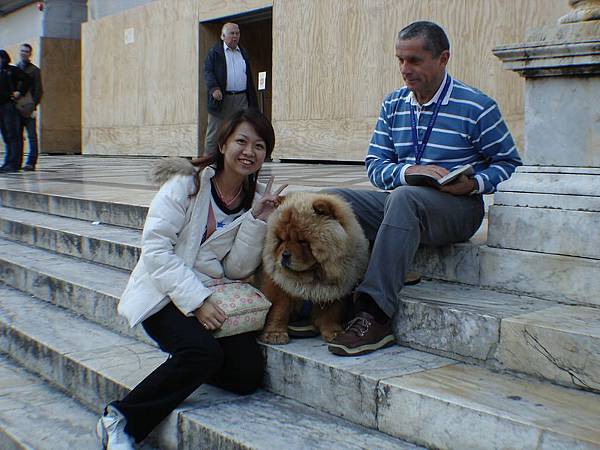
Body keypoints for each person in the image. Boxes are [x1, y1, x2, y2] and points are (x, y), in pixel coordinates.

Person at [326, 21, 522, 357]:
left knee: (404, 198)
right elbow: (375, 166)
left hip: (458, 211)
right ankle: (324, 298)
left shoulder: (477, 106)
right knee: (332, 202)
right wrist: (409, 171)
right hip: (406, 205)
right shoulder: (394, 105)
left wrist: (475, 183)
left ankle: (374, 314)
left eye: (415, 60)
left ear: (443, 58)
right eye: (400, 60)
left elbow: (510, 166)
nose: (405, 69)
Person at [96, 109, 285, 449]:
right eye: (241, 141)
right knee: (203, 354)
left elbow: (238, 270)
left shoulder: (252, 202)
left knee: (246, 376)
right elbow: (155, 249)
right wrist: (196, 302)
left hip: (211, 293)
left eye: (259, 146)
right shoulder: (186, 183)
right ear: (223, 143)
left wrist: (257, 220)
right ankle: (121, 418)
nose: (249, 152)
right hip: (163, 294)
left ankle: (186, 360)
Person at [204, 22, 258, 155]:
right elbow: (208, 71)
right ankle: (207, 164)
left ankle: (238, 162)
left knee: (242, 131)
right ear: (223, 36)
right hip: (222, 99)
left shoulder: (243, 52)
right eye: (231, 33)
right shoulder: (215, 52)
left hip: (241, 99)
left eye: (237, 33)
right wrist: (214, 88)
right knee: (214, 132)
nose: (235, 36)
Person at [0, 49, 30, 173]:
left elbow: (27, 79)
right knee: (6, 135)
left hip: (9, 106)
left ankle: (14, 162)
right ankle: (8, 161)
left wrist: (19, 92)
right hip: (1, 106)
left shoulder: (11, 70)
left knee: (13, 135)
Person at [17, 43, 43, 171]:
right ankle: (17, 161)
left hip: (29, 108)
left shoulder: (34, 70)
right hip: (17, 108)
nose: (24, 53)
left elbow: (39, 91)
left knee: (32, 136)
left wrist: (33, 107)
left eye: (26, 51)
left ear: (30, 54)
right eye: (22, 51)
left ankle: (31, 162)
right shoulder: (15, 68)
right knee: (17, 136)